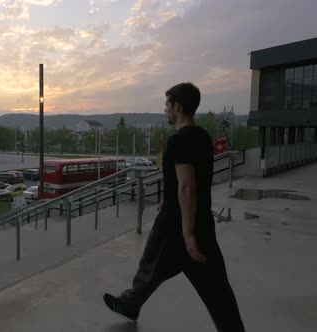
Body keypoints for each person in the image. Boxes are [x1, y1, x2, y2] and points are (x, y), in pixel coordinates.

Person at [103, 83, 245, 332]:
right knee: (215, 288)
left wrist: (188, 235)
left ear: (178, 107)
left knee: (151, 267)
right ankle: (130, 304)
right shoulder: (201, 136)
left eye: (167, 104)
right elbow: (190, 183)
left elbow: (187, 186)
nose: (165, 109)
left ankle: (130, 303)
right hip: (200, 221)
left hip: (176, 225)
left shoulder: (179, 140)